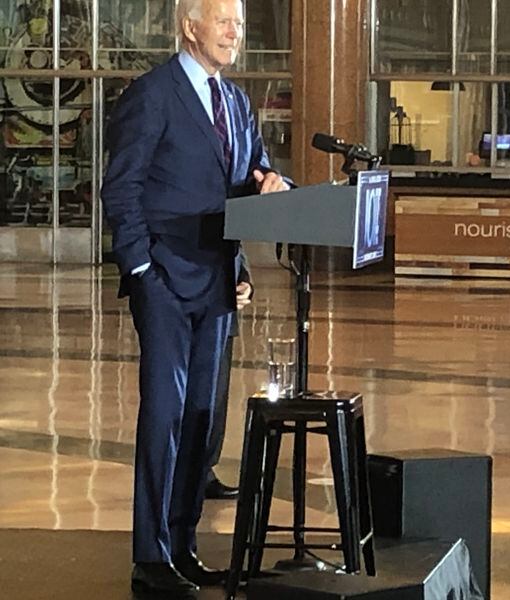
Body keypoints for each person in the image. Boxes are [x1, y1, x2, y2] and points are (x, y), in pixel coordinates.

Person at [101, 0, 289, 595]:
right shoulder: (152, 95)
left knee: (204, 423)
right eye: (226, 21)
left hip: (219, 283)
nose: (237, 31)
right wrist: (140, 268)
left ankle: (182, 544)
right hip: (163, 281)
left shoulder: (235, 101)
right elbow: (122, 188)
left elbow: (250, 174)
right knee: (166, 417)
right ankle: (151, 555)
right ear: (191, 27)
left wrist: (269, 182)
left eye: (239, 22)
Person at [204, 249, 252, 500]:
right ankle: (180, 473)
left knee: (216, 397)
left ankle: (204, 472)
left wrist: (245, 282)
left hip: (224, 310)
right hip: (185, 302)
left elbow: (235, 245)